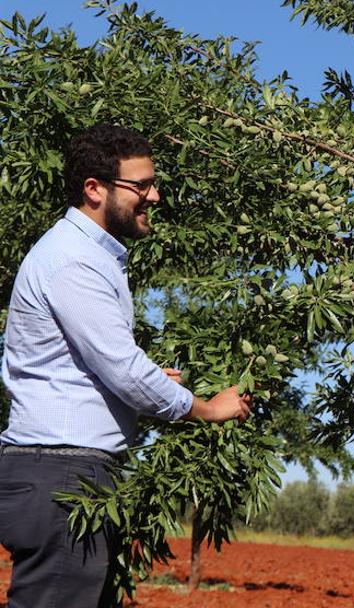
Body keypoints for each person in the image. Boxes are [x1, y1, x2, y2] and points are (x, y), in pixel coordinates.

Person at [0, 123, 251, 608]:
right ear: (94, 189)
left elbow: (104, 367)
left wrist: (145, 380)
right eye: (142, 185)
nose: (154, 196)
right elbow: (125, 372)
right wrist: (209, 409)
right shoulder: (74, 261)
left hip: (66, 470)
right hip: (63, 474)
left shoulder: (85, 256)